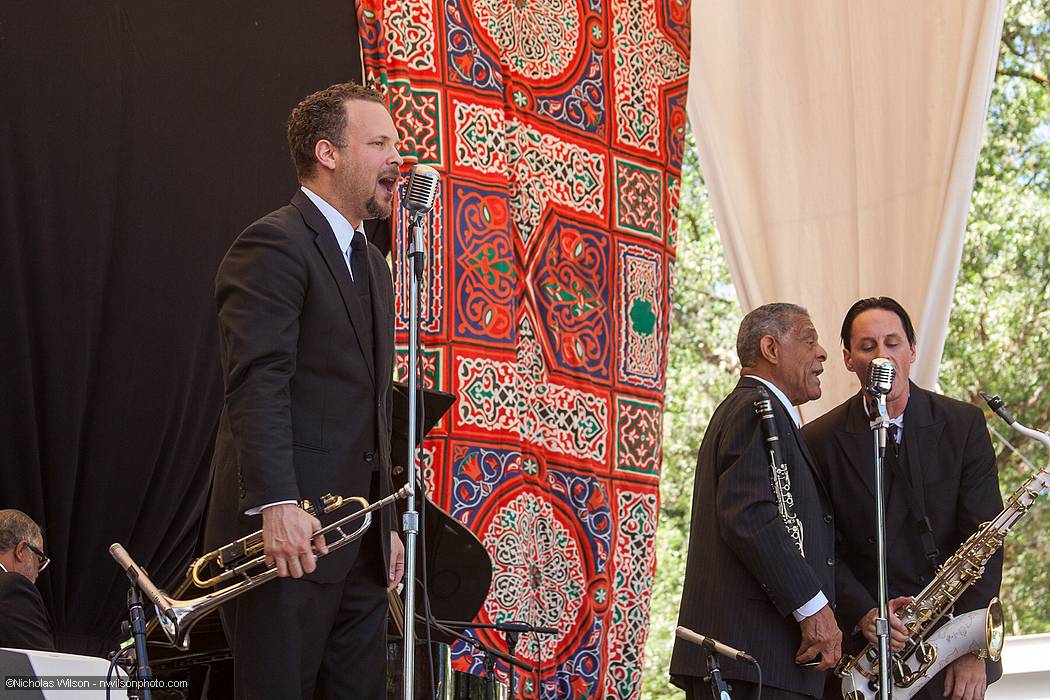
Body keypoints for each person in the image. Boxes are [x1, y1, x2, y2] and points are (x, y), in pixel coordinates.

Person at [202, 81, 405, 699]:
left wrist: (388, 519)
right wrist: (276, 503)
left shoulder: (373, 263)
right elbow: (257, 382)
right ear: (328, 153)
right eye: (379, 143)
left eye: (396, 142)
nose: (398, 158)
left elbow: (371, 406)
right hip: (288, 539)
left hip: (358, 544)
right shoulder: (275, 243)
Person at [802, 297, 1003, 700]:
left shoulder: (962, 424)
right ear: (847, 358)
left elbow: (986, 540)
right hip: (866, 659)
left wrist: (971, 645)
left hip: (950, 649)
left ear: (912, 350)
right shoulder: (817, 440)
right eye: (868, 346)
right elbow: (820, 549)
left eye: (893, 343)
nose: (882, 355)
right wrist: (865, 613)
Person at [671, 303, 842, 700]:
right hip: (752, 660)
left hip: (759, 663)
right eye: (808, 339)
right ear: (770, 348)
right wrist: (812, 608)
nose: (822, 353)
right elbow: (749, 515)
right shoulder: (755, 409)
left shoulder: (762, 412)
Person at [0, 509, 55, 651]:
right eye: (39, 559)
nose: (38, 573)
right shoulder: (12, 587)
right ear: (21, 550)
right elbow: (43, 667)